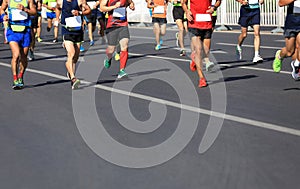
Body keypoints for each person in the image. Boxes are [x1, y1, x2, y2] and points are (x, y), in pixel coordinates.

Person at [0, 0, 36, 89]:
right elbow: (1, 9)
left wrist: (25, 9)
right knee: (15, 55)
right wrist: (4, 16)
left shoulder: (28, 0)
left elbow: (34, 12)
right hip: (12, 31)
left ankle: (20, 76)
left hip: (25, 31)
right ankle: (15, 79)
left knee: (23, 57)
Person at [55, 0, 91, 89]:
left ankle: (69, 69)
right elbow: (57, 8)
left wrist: (80, 12)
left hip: (78, 31)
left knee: (75, 57)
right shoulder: (61, 2)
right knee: (71, 53)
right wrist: (57, 18)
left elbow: (88, 10)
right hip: (66, 30)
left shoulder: (79, 1)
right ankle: (73, 78)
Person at [181, 0, 214, 88]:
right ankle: (202, 78)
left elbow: (218, 1)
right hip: (194, 24)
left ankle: (194, 57)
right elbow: (183, 2)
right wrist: (187, 12)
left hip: (207, 24)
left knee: (205, 52)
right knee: (199, 50)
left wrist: (214, 7)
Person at [100, 0, 135, 79]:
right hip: (111, 26)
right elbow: (102, 8)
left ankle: (122, 70)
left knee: (124, 46)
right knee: (111, 50)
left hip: (123, 25)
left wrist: (132, 5)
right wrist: (114, 7)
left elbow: (130, 2)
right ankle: (109, 59)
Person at [273, 0, 300, 80]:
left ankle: (296, 65)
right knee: (289, 52)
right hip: (291, 23)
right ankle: (279, 55)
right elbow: (281, 3)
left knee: (299, 47)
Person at [202, 0, 221, 72]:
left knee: (207, 37)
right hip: (200, 14)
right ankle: (206, 60)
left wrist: (214, 7)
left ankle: (206, 60)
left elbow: (218, 1)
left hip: (212, 14)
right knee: (201, 37)